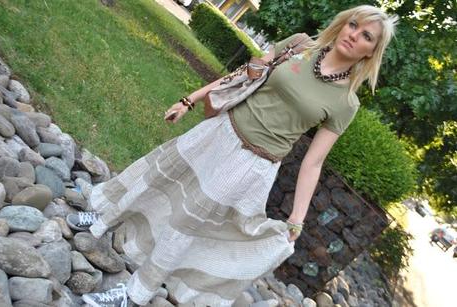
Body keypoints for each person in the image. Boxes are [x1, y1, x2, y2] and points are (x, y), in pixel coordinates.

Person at [67, 5, 398, 306]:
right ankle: (105, 216)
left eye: (366, 35)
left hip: (252, 164)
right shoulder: (300, 45)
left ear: (372, 52)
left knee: (189, 221)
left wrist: (297, 217)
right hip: (220, 130)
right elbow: (244, 73)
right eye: (353, 24)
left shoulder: (345, 103)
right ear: (343, 23)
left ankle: (134, 294)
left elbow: (314, 161)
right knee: (161, 173)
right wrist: (190, 99)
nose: (355, 35)